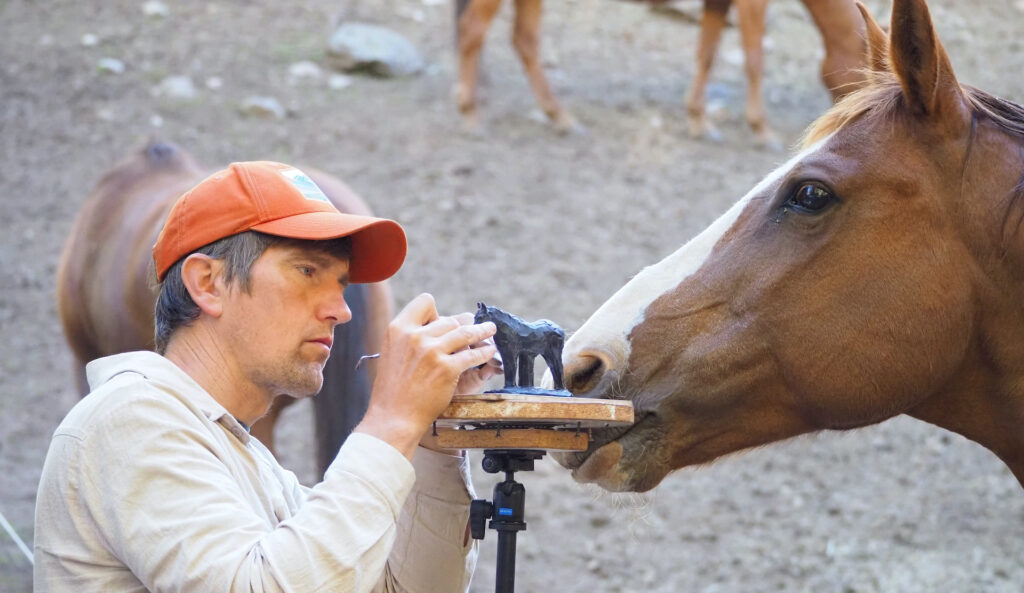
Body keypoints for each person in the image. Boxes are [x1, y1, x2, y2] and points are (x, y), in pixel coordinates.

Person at [34, 161, 500, 592]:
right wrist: (391, 420)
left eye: (341, 283)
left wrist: (435, 441)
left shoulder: (257, 467)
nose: (340, 311)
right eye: (307, 270)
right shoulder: (131, 419)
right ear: (208, 283)